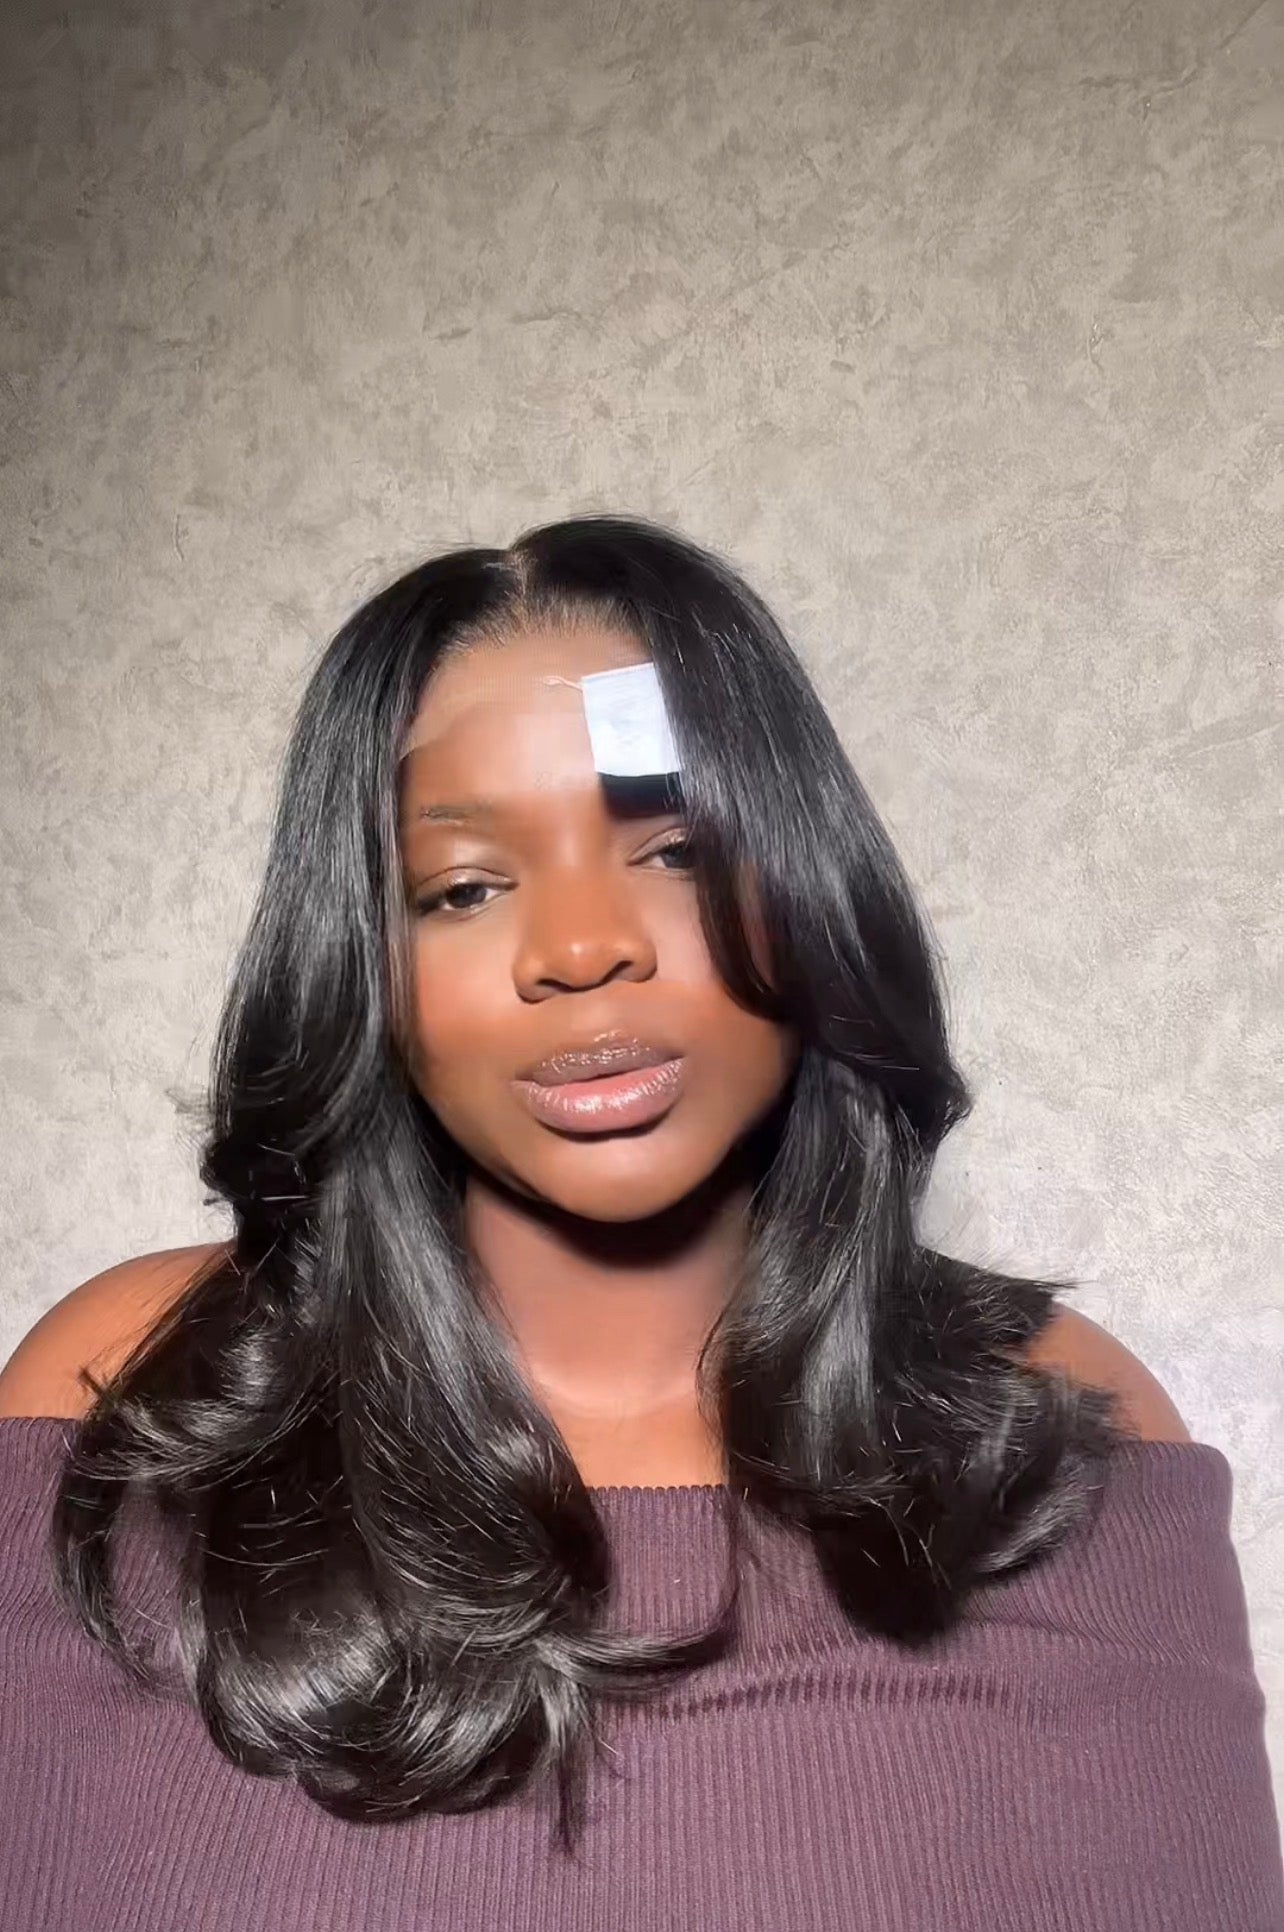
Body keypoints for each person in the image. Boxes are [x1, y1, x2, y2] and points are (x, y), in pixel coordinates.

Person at [1, 515, 1280, 1930]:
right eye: (464, 888)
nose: (581, 949)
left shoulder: (1050, 1422)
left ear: (804, 890)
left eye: (674, 850)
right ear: (366, 957)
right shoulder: (123, 1393)